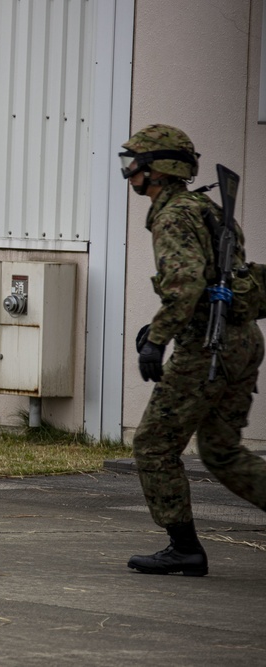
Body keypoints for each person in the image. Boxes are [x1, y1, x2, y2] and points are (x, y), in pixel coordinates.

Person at [121, 124, 266, 576]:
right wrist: (160, 328)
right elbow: (209, 282)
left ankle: (183, 547)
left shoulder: (173, 215)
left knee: (153, 445)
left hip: (209, 346)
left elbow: (184, 286)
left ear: (158, 170)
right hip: (241, 341)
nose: (129, 172)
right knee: (222, 450)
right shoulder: (205, 207)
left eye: (134, 164)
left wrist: (157, 343)